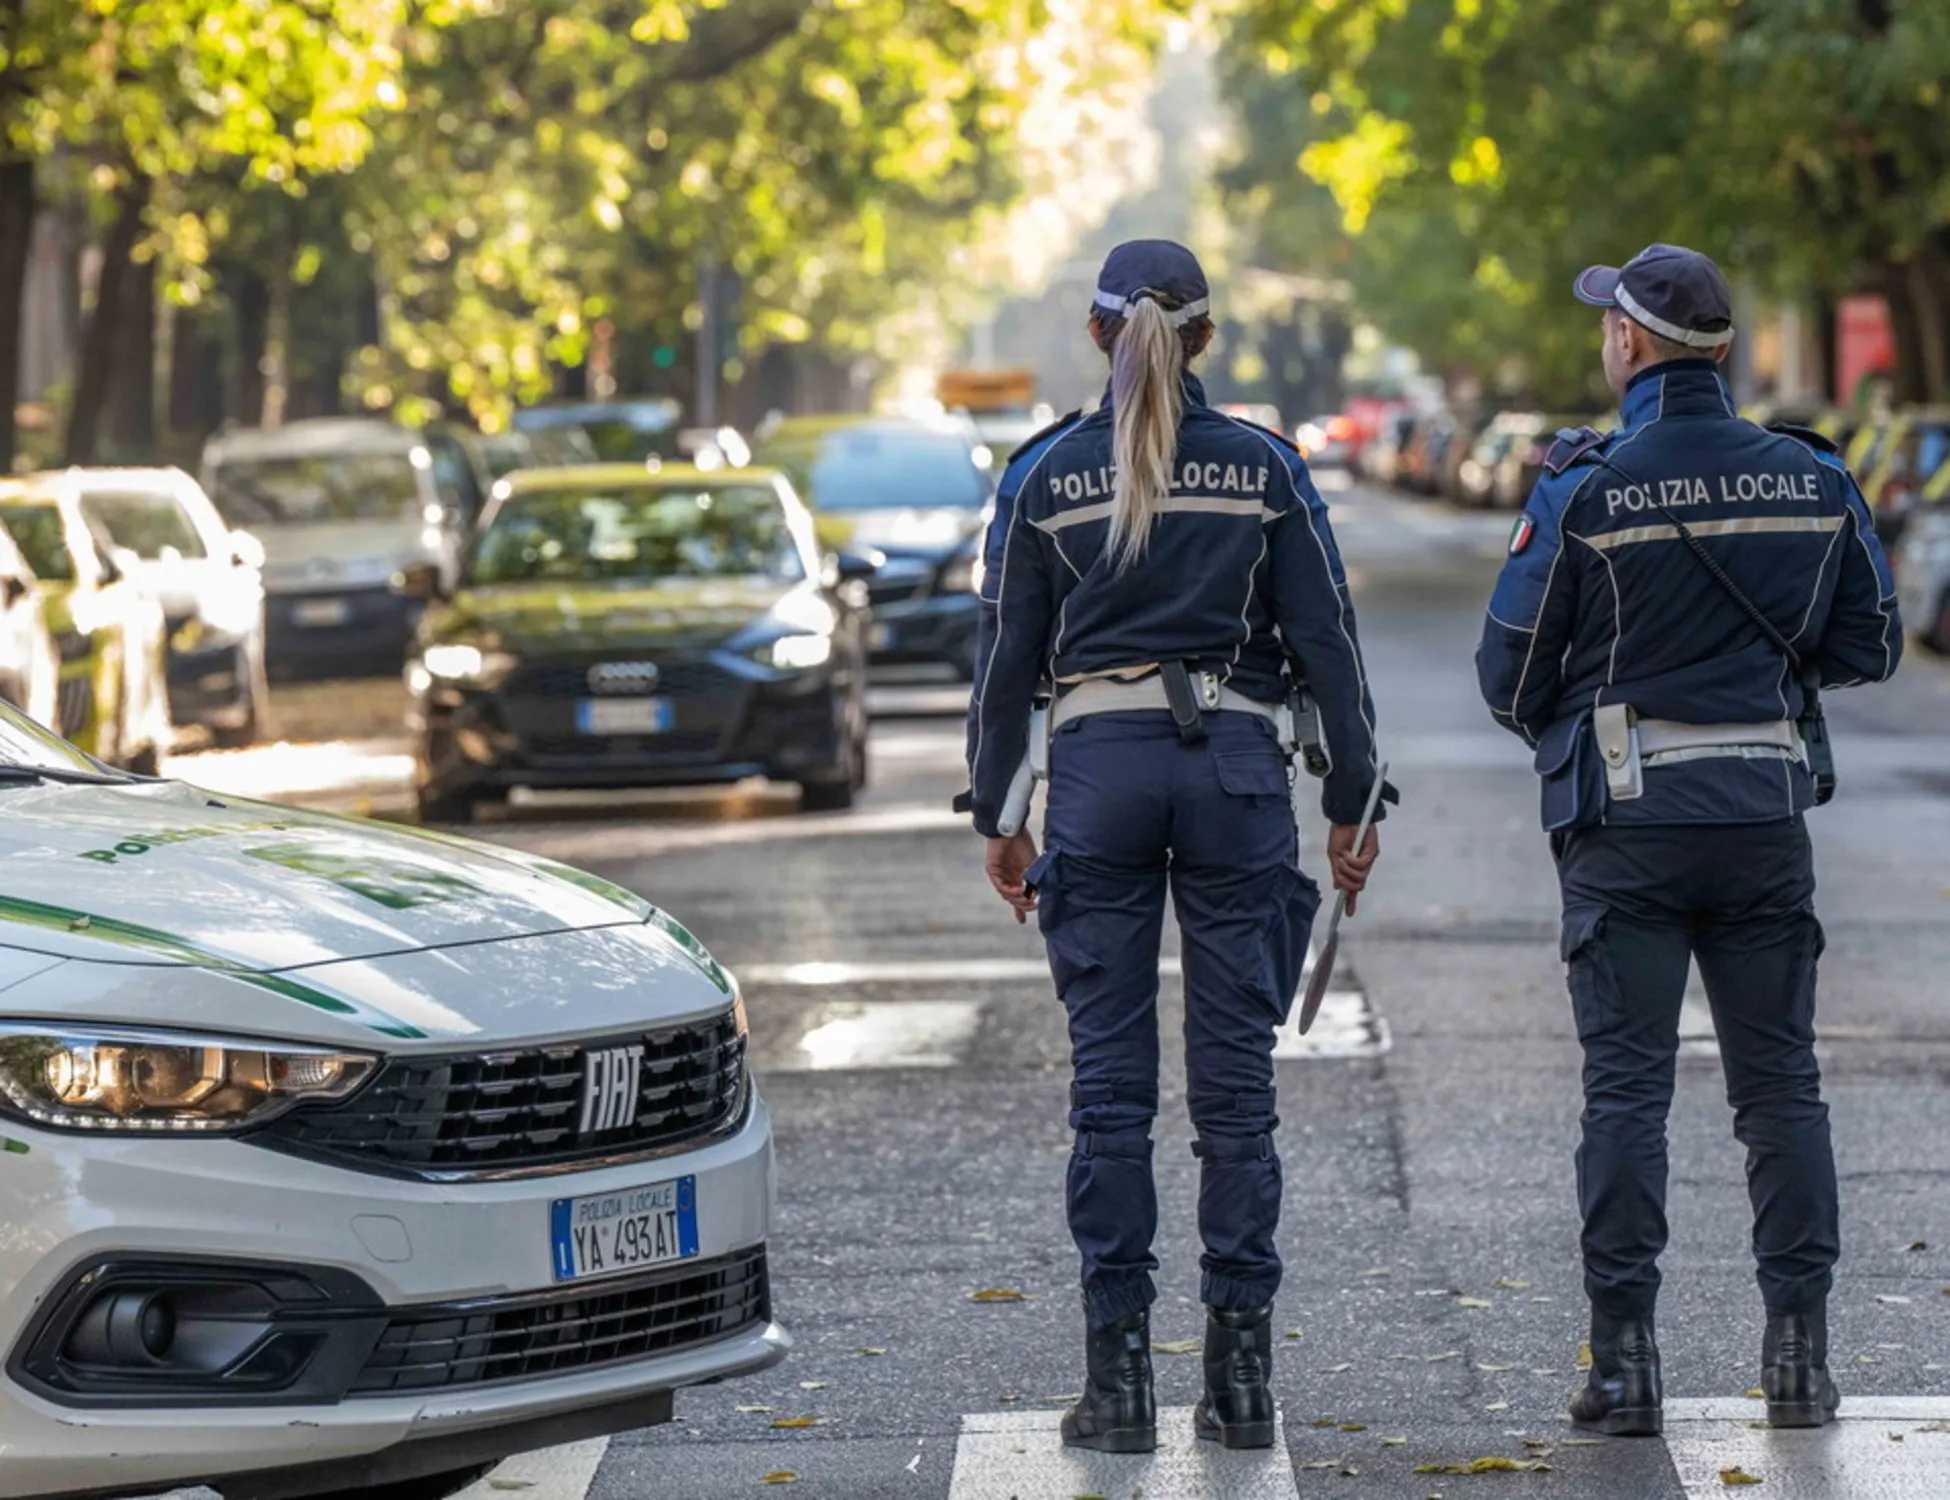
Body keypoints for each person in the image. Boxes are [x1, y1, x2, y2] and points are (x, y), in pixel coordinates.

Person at [963, 239, 1387, 1454]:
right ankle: (1242, 1387)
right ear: (1205, 341)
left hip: (1097, 781)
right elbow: (1330, 645)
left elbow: (1004, 670)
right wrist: (1353, 797)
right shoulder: (1263, 468)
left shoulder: (1043, 477)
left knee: (1109, 1100)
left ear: (1100, 335)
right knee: (1237, 1101)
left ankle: (1120, 1389)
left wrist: (1003, 816)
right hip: (1236, 779)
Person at [1476, 243, 1903, 1437]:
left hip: (1628, 822)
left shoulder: (1584, 486)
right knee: (1781, 1091)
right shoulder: (1812, 479)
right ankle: (1802, 1366)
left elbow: (1507, 678)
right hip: (1762, 814)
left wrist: (1591, 719)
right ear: (1724, 349)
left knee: (1627, 1093)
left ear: (1630, 343)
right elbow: (1868, 646)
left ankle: (1623, 1371)